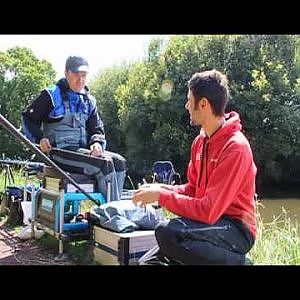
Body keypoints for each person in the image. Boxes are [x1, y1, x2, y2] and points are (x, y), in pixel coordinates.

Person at [132, 69, 257, 265]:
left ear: (204, 104)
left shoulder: (235, 148)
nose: (187, 105)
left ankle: (239, 263)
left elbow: (208, 210)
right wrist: (160, 188)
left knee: (167, 232)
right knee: (146, 263)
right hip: (209, 224)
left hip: (236, 229)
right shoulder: (200, 142)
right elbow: (193, 190)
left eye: (189, 100)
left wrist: (160, 197)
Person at [22, 55, 126, 201]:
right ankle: (110, 216)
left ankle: (112, 210)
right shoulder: (51, 95)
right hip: (57, 152)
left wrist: (96, 143)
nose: (80, 79)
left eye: (84, 75)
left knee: (119, 162)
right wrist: (40, 139)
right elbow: (28, 118)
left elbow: (97, 129)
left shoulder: (89, 101)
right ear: (66, 73)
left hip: (81, 152)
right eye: (76, 74)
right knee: (104, 165)